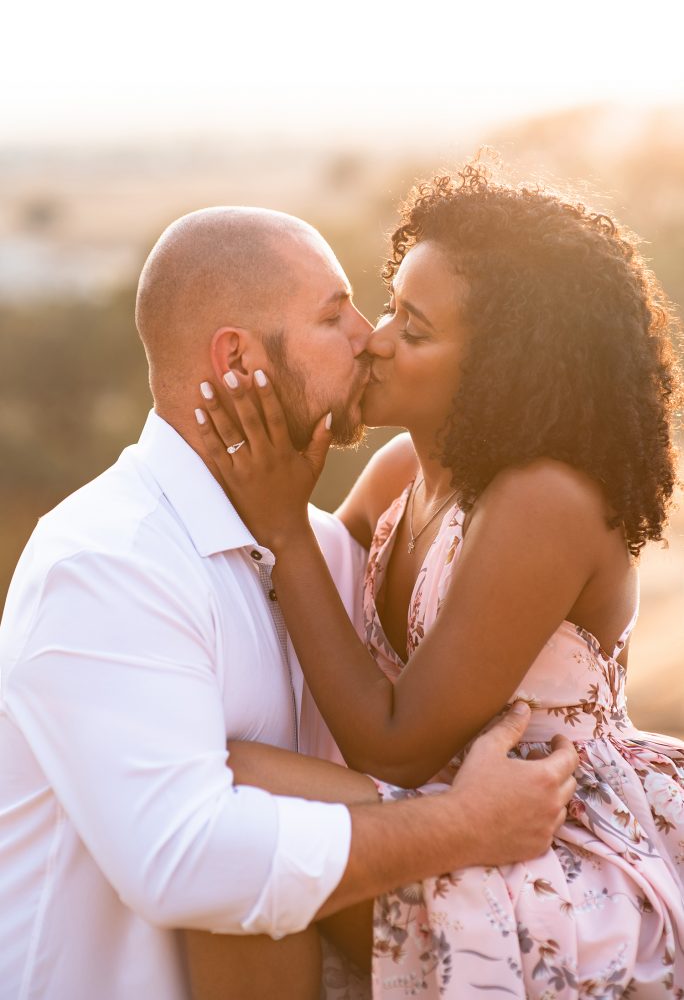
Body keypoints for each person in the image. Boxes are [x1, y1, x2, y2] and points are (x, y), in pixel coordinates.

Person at [0, 206, 578, 1000]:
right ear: (237, 358)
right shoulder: (107, 564)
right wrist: (466, 825)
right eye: (333, 316)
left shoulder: (325, 555)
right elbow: (183, 860)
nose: (368, 336)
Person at [194, 165, 684, 997]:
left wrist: (284, 524)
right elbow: (300, 599)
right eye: (390, 308)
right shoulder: (401, 474)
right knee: (229, 814)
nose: (376, 340)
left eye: (413, 331)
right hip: (439, 811)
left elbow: (397, 741)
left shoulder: (543, 501)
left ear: (502, 370)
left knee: (235, 806)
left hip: (549, 842)